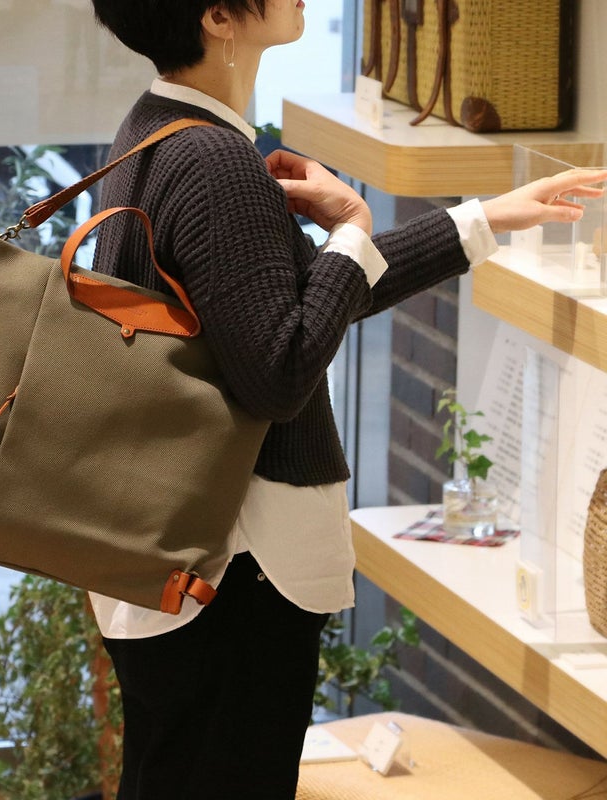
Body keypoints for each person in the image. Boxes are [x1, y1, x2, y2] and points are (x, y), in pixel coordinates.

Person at [85, 2, 607, 798]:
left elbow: (301, 299)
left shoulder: (156, 129)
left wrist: (487, 219)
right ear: (219, 15)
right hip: (238, 568)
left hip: (178, 555)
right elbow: (282, 368)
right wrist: (353, 226)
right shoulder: (218, 163)